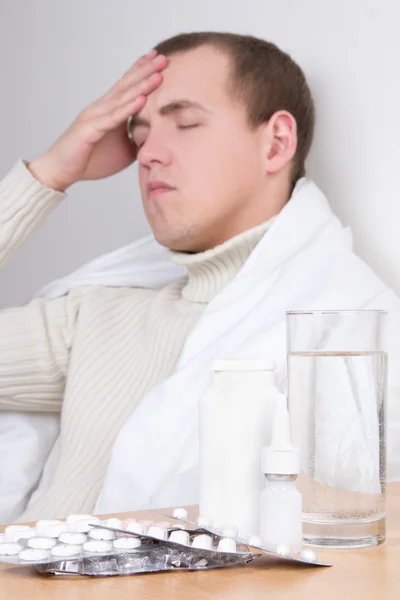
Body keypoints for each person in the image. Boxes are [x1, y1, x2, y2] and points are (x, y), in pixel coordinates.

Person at [1, 32, 399, 522]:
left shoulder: (356, 339)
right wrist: (47, 174)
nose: (147, 155)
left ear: (276, 143)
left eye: (186, 124)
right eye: (140, 136)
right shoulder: (94, 315)